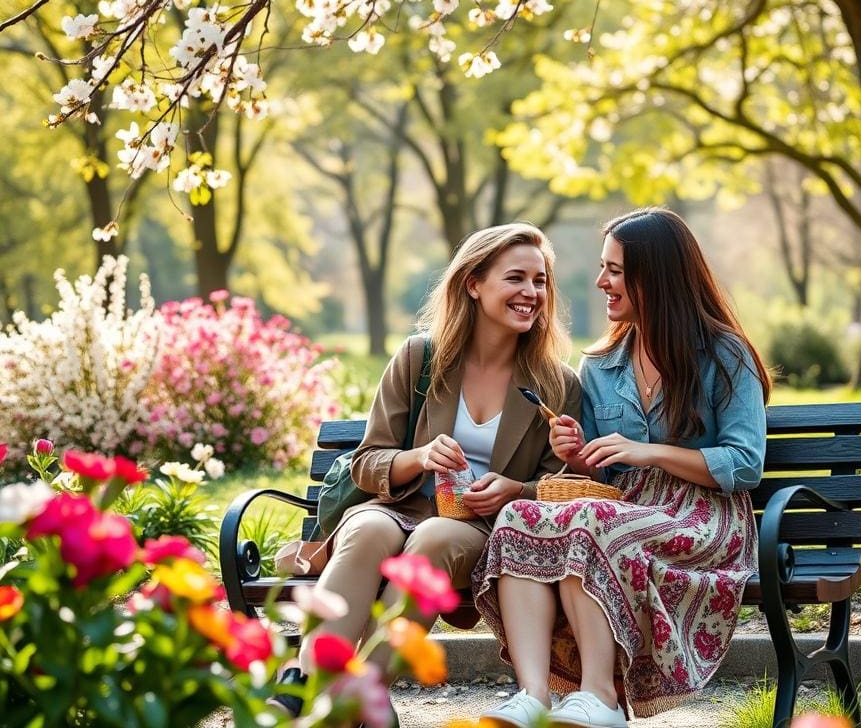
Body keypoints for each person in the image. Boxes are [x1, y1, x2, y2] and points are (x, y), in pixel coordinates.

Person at [474, 207, 771, 728]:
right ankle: (534, 695)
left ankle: (601, 698)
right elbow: (600, 481)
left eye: (614, 269)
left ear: (653, 277)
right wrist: (577, 454)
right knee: (518, 517)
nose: (600, 281)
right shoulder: (601, 365)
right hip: (624, 508)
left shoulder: (725, 355)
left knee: (589, 524)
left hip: (701, 517)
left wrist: (647, 451)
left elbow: (745, 465)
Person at [270, 223, 581, 720]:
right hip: (398, 507)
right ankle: (309, 680)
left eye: (541, 281)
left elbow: (556, 489)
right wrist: (418, 457)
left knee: (435, 536)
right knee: (368, 528)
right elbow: (368, 459)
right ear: (473, 284)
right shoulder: (420, 358)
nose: (532, 293)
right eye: (516, 278)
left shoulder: (555, 383)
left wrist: (513, 490)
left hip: (479, 528)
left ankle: (353, 699)